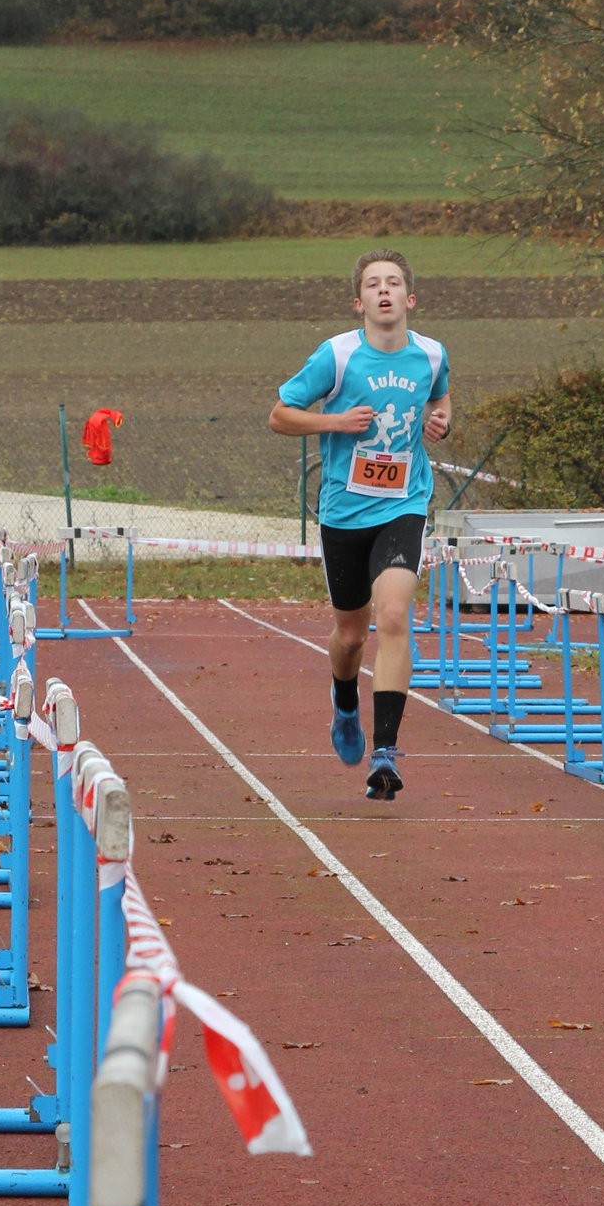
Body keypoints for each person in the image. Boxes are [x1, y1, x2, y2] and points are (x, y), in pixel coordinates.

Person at [269, 250, 451, 801]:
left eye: (393, 283)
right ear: (360, 302)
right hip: (345, 511)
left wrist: (441, 422)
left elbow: (440, 397)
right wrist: (335, 421)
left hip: (404, 503)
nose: (384, 291)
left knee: (393, 615)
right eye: (374, 284)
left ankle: (386, 751)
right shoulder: (338, 355)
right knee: (351, 635)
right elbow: (280, 415)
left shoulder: (432, 354)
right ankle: (345, 701)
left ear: (409, 298)